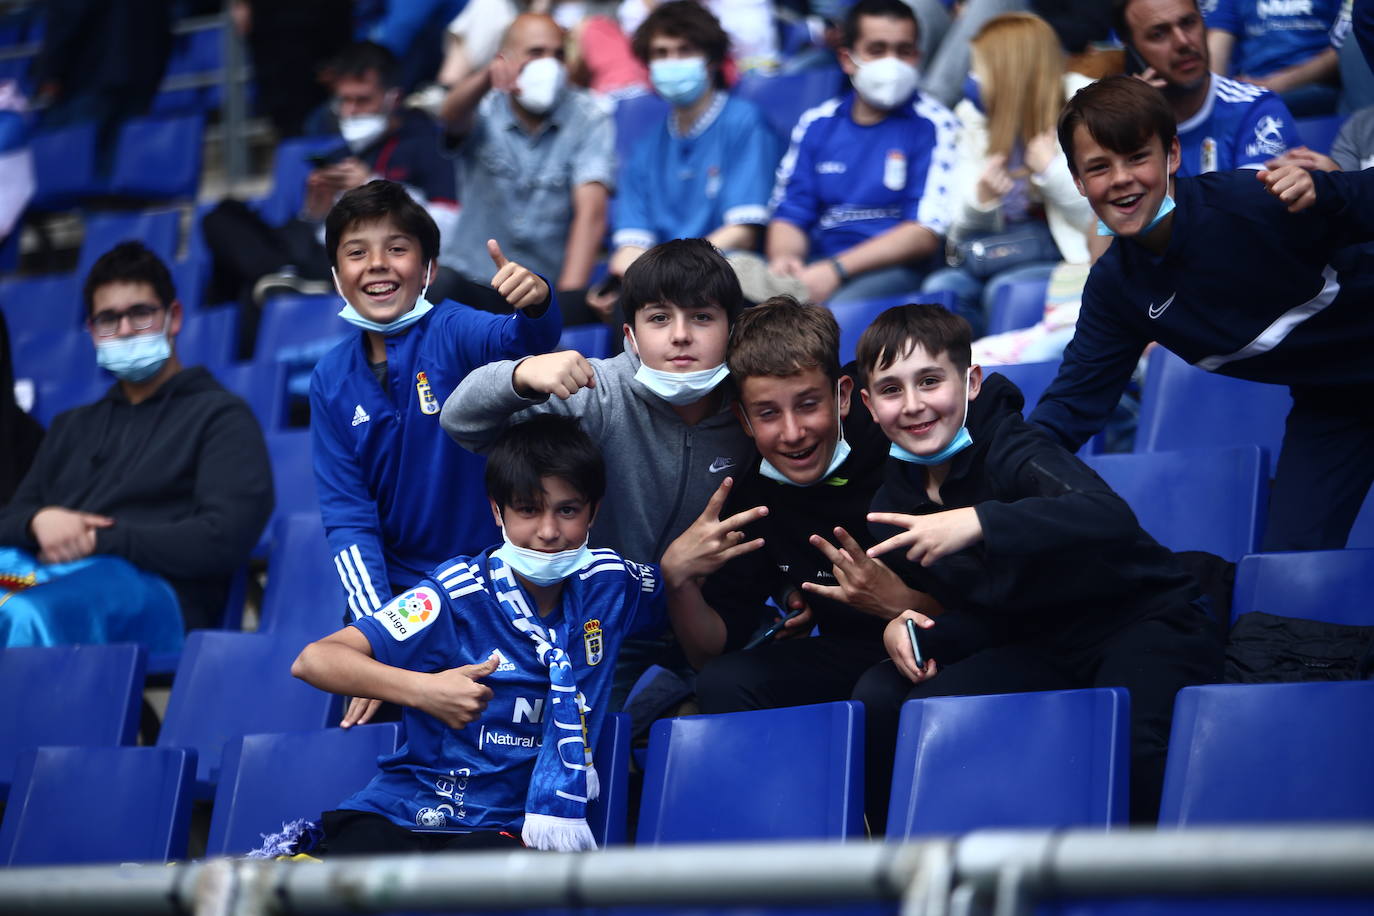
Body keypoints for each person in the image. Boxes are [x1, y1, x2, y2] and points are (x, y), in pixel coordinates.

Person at [848, 303, 1222, 829]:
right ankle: (909, 875)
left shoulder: (1014, 444)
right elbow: (987, 606)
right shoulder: (893, 509)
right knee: (899, 698)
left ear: (971, 381)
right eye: (891, 389)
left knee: (1133, 750)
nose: (913, 405)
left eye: (930, 381)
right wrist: (901, 625)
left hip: (1138, 620)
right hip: (1039, 641)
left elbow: (1107, 513)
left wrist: (979, 520)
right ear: (868, 404)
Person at [292, 415, 667, 854]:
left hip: (512, 830)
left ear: (593, 512)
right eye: (527, 509)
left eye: (567, 510)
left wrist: (684, 563)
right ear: (497, 511)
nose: (548, 532)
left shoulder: (610, 583)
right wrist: (423, 689)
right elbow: (315, 659)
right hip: (405, 812)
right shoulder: (452, 592)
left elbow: (674, 588)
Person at [1029, 75, 1374, 551]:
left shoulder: (1252, 200)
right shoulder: (1114, 289)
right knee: (1286, 569)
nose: (1122, 178)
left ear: (1172, 154)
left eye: (1137, 157)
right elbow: (1070, 407)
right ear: (1079, 182)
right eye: (1100, 166)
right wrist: (985, 474)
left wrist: (1330, 190)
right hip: (1335, 403)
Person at [441, 238, 757, 709]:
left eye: (703, 317)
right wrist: (523, 373)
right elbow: (460, 421)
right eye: (659, 318)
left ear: (733, 331)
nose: (681, 335)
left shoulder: (752, 407)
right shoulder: (598, 391)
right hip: (606, 624)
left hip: (710, 618)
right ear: (630, 336)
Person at [660, 297, 961, 715]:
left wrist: (898, 601)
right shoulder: (749, 492)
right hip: (850, 652)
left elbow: (988, 616)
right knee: (723, 684)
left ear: (842, 395)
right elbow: (708, 656)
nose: (792, 432)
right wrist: (678, 581)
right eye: (767, 414)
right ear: (744, 420)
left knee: (881, 691)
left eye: (807, 404)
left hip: (946, 645)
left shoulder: (905, 440)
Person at [310, 180, 560, 634]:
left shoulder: (454, 328)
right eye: (356, 253)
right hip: (404, 593)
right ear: (335, 276)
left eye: (397, 249)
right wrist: (378, 627)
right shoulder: (329, 379)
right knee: (354, 683)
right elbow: (348, 515)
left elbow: (524, 340)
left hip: (493, 580)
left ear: (428, 268)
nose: (378, 266)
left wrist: (537, 301)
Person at [0, 242, 273, 651]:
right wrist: (38, 521)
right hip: (51, 577)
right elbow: (11, 516)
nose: (125, 329)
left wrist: (100, 541)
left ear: (174, 317)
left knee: (28, 614)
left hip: (161, 594)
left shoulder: (221, 417)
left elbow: (224, 537)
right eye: (109, 319)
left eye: (140, 314)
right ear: (92, 332)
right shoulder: (71, 425)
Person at [202, 42, 458, 321]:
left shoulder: (429, 144)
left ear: (393, 99)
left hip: (374, 257)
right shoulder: (339, 153)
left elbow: (447, 225)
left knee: (254, 290)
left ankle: (290, 276)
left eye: (362, 100)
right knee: (222, 215)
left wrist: (372, 185)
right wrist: (316, 212)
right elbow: (317, 234)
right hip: (326, 251)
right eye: (343, 101)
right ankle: (284, 273)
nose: (351, 112)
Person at [761, 0, 957, 308]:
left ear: (917, 57)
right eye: (877, 50)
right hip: (817, 264)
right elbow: (791, 212)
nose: (892, 63)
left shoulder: (935, 123)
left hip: (894, 270)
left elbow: (924, 232)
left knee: (829, 315)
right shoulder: (817, 123)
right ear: (847, 59)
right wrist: (787, 260)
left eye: (903, 51)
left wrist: (835, 269)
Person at [598, 1, 778, 320]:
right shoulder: (645, 147)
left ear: (711, 60)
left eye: (685, 51)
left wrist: (668, 273)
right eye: (661, 53)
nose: (672, 62)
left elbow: (743, 232)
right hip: (663, 283)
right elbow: (630, 244)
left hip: (724, 275)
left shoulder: (744, 123)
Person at [920, 12, 1096, 331]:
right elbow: (957, 233)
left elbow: (1107, 215)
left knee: (1003, 290)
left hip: (1068, 254)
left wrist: (1052, 172)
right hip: (1002, 249)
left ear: (1012, 72)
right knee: (941, 288)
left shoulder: (1085, 105)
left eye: (980, 69)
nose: (972, 79)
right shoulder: (972, 118)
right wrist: (982, 201)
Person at [437, 14, 615, 323]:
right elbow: (450, 115)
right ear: (504, 59)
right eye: (536, 53)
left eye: (558, 55)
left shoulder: (590, 116)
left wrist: (564, 302)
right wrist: (485, 78)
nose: (550, 64)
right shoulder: (485, 105)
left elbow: (591, 214)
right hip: (472, 279)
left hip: (538, 290)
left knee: (584, 310)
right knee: (435, 290)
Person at [1116, 0, 1300, 175]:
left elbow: (1251, 201)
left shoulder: (1255, 107)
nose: (1183, 42)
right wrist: (1136, 127)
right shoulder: (1119, 122)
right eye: (1158, 34)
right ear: (1131, 48)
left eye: (1188, 23)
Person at [1206, 0, 1344, 116]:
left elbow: (1342, 49)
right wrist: (1213, 98)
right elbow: (1216, 51)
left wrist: (1275, 84)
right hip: (1252, 89)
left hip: (1316, 84)